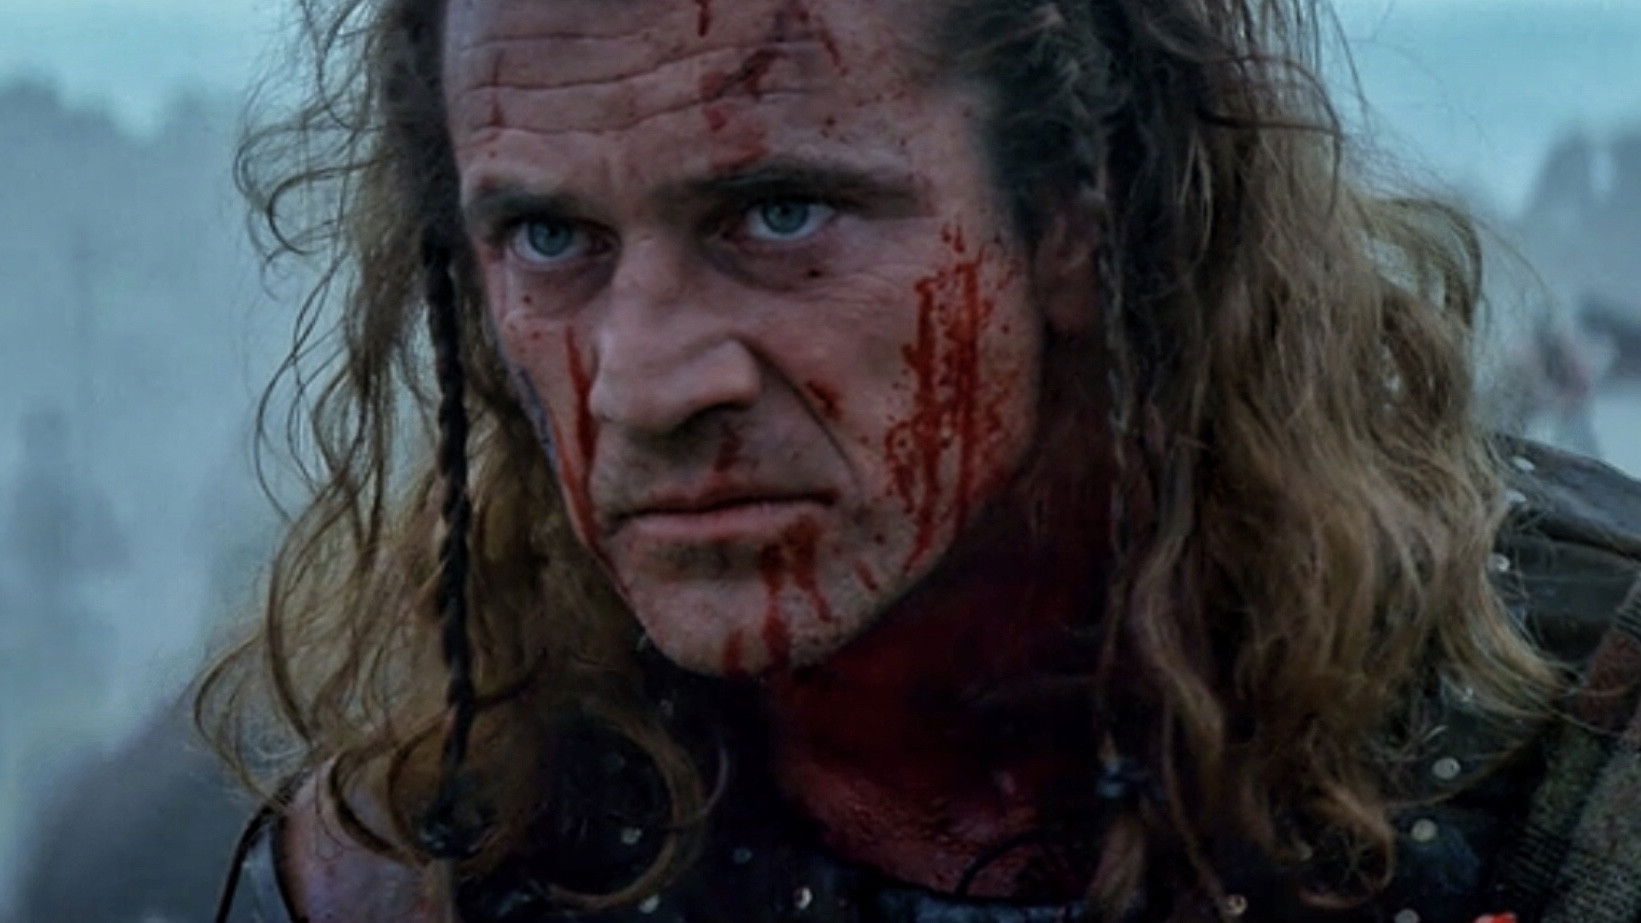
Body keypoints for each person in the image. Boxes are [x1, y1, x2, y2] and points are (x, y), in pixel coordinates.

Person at [200, 1, 1641, 921]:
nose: (640, 385)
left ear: (1075, 219)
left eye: (779, 213)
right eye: (549, 236)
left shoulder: (1583, 749)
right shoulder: (445, 848)